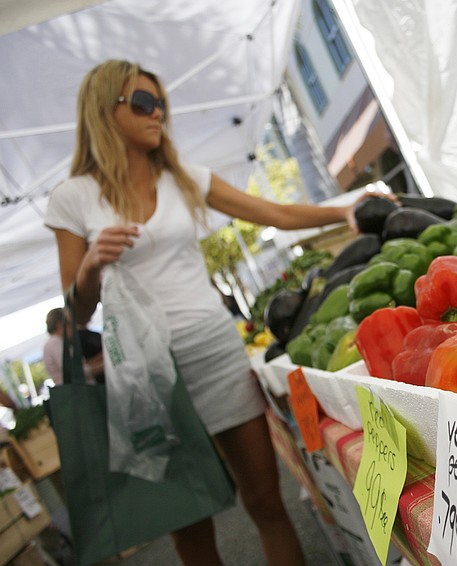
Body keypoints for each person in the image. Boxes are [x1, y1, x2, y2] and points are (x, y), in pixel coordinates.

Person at [43, 59, 381, 566]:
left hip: (214, 350)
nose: (157, 112)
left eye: (160, 102)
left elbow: (276, 213)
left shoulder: (186, 179)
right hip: (144, 375)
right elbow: (77, 311)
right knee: (189, 528)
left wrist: (346, 209)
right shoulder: (73, 198)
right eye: (142, 102)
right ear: (103, 108)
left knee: (267, 502)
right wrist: (91, 263)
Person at [42, 307, 105, 385]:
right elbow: (77, 371)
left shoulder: (56, 343)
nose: (74, 328)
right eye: (71, 323)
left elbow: (79, 366)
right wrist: (104, 366)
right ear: (60, 325)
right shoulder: (55, 343)